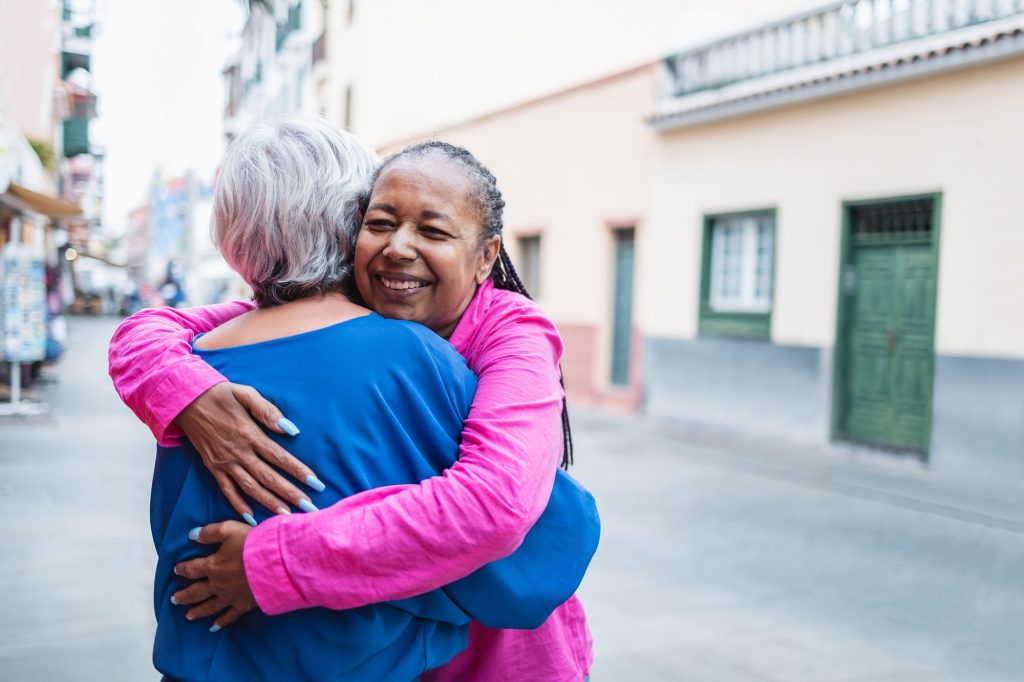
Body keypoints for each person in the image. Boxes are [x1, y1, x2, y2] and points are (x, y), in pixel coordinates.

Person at [110, 140, 594, 680]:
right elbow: (156, 328)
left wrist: (272, 563)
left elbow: (494, 504)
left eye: (433, 232)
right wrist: (189, 391)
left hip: (501, 660)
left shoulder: (514, 335)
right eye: (381, 223)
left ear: (486, 256)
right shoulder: (366, 305)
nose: (399, 248)